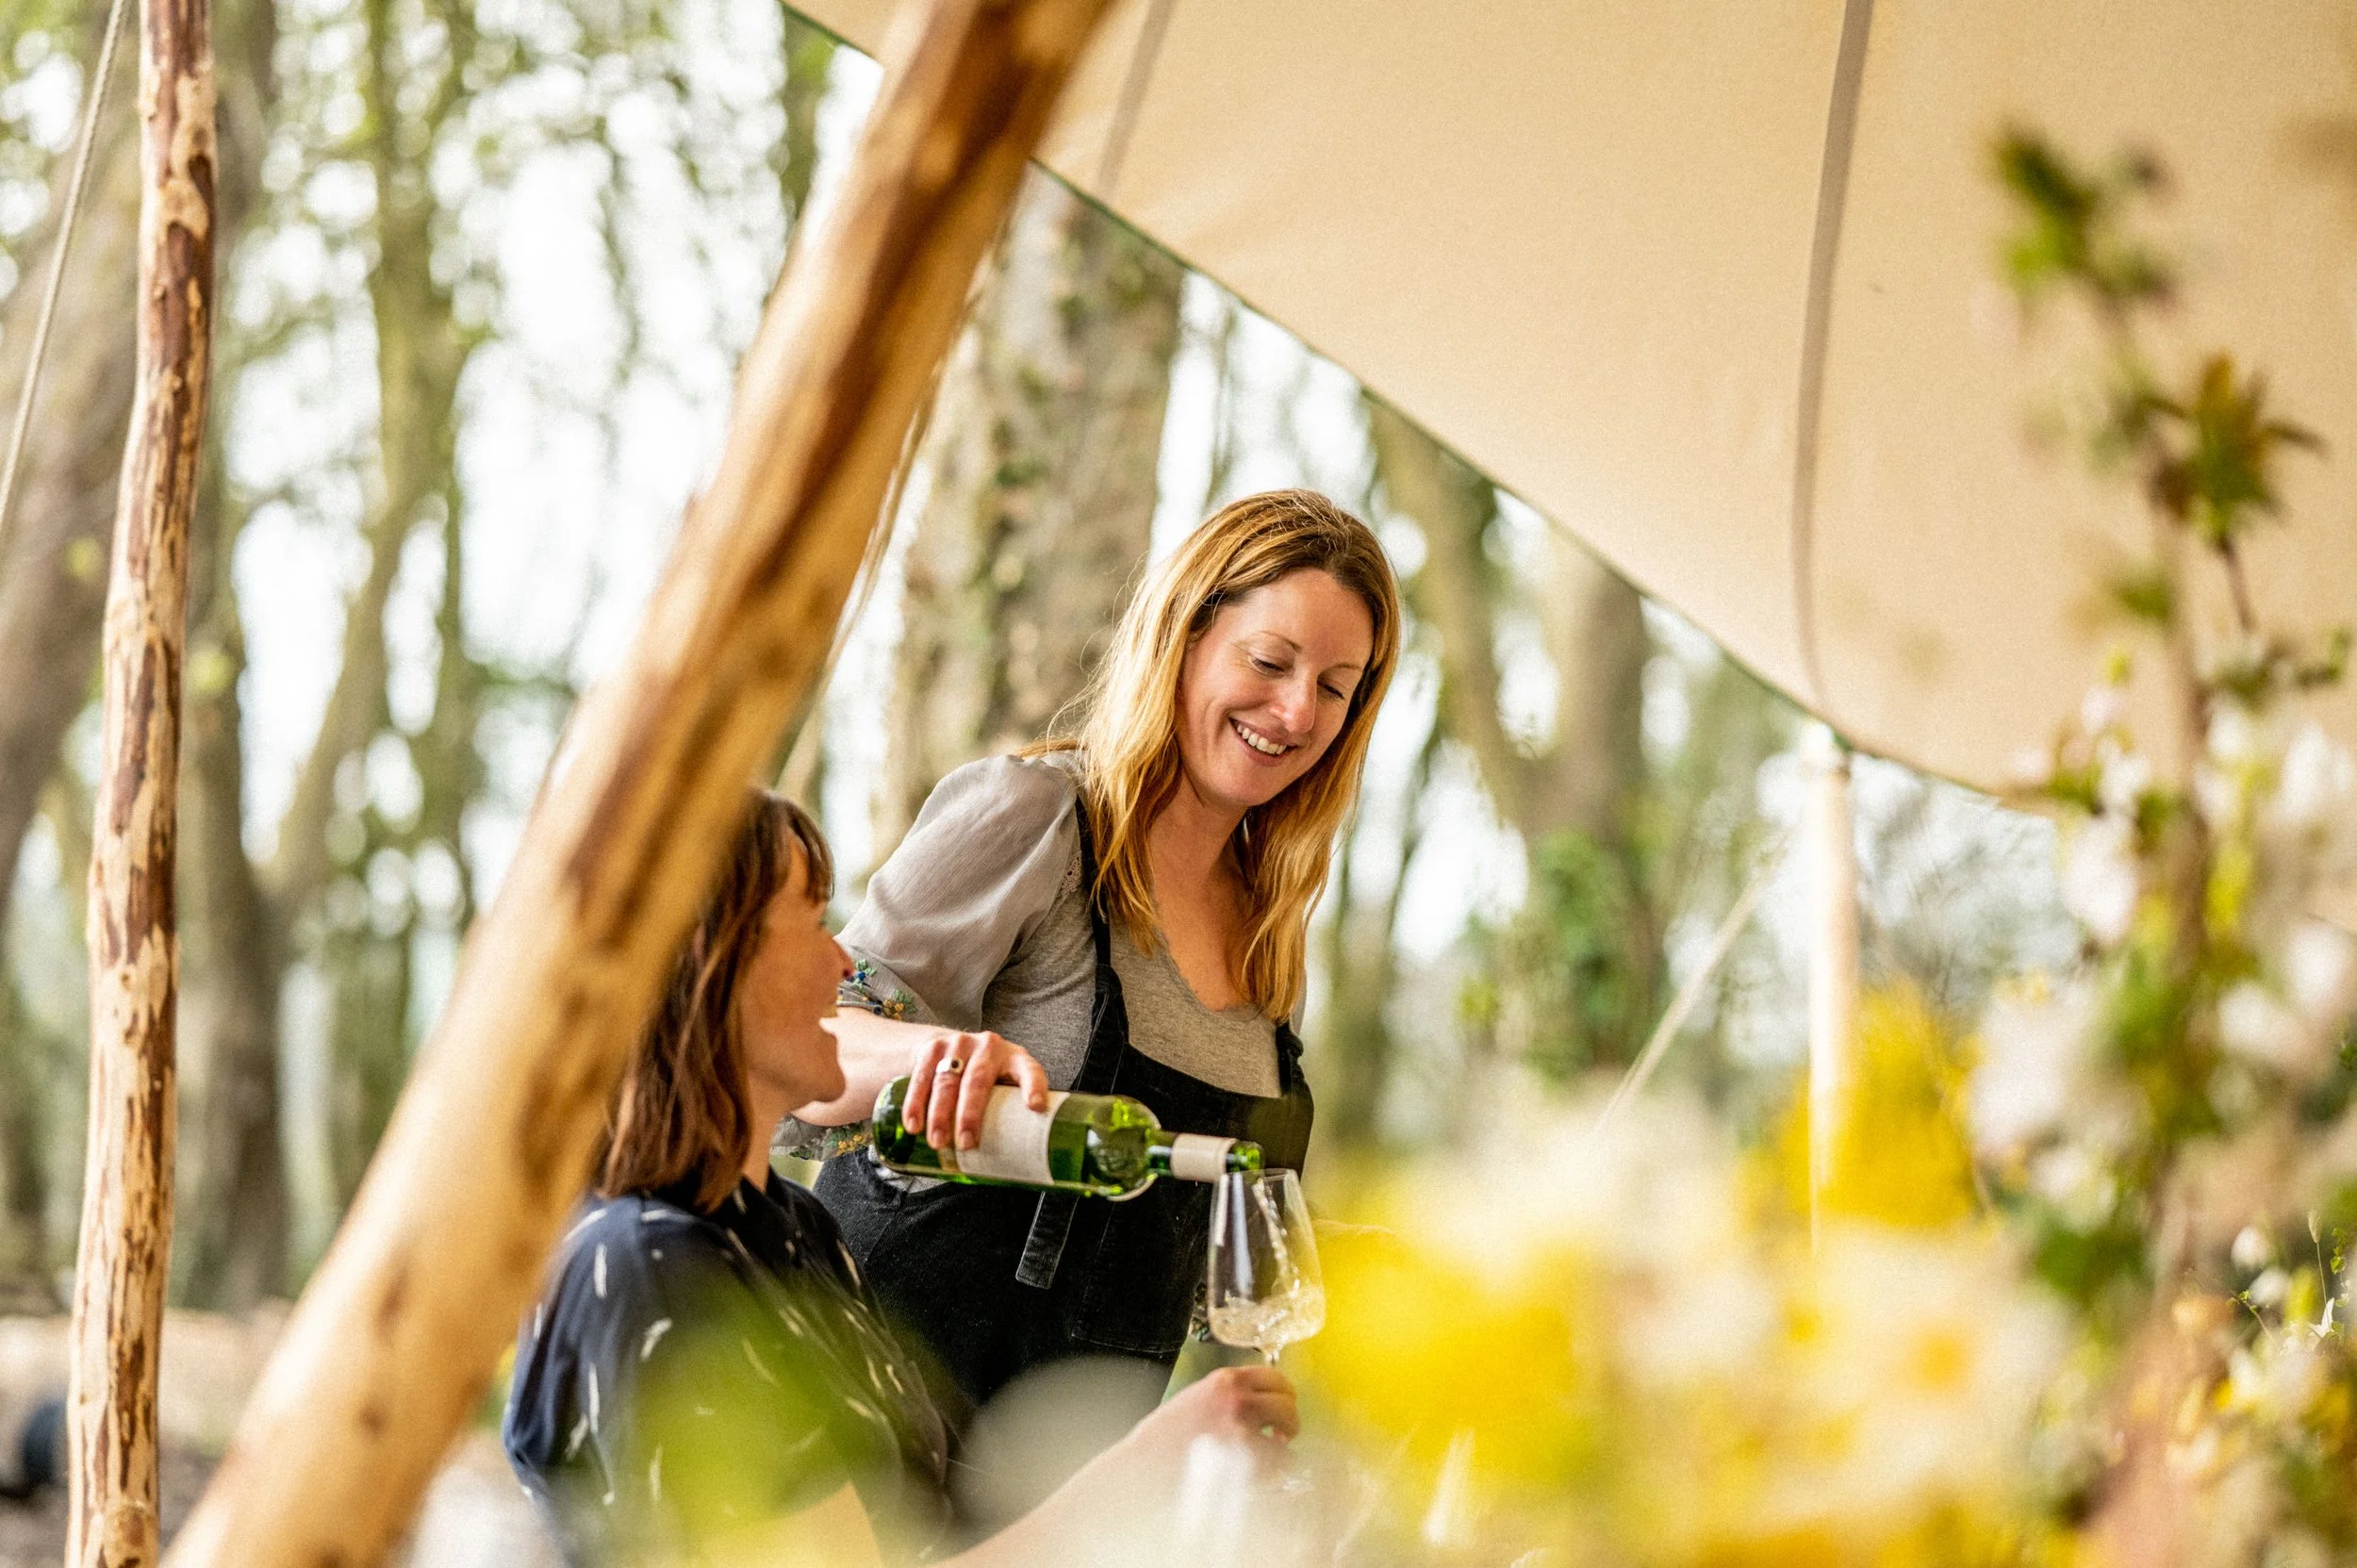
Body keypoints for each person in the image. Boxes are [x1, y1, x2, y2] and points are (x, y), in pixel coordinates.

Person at [503, 792, 1296, 1567]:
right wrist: (1149, 1468)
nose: (844, 961)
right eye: (811, 922)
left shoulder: (789, 1226)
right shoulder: (652, 1269)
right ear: (712, 963)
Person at [791, 489, 1400, 1433]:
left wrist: (1372, 1267)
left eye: (1333, 686)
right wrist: (930, 1055)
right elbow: (806, 1040)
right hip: (858, 1423)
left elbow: (1169, 1232)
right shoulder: (1034, 818)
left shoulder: (1266, 927)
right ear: (1184, 636)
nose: (1293, 710)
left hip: (1066, 1478)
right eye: (1269, 660)